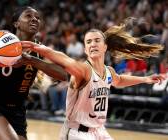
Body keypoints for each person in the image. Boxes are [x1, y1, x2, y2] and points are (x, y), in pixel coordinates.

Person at [21, 18, 165, 140]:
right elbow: (65, 60)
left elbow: (119, 80)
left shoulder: (109, 72)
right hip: (77, 133)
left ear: (105, 47)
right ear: (85, 49)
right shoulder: (84, 70)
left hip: (99, 131)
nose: (93, 44)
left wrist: (145, 79)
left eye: (97, 40)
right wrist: (38, 48)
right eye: (88, 42)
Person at [0, 6, 67, 140]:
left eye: (37, 18)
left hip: (17, 111)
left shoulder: (40, 49)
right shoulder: (2, 42)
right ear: (16, 23)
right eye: (28, 16)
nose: (34, 19)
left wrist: (32, 61)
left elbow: (64, 74)